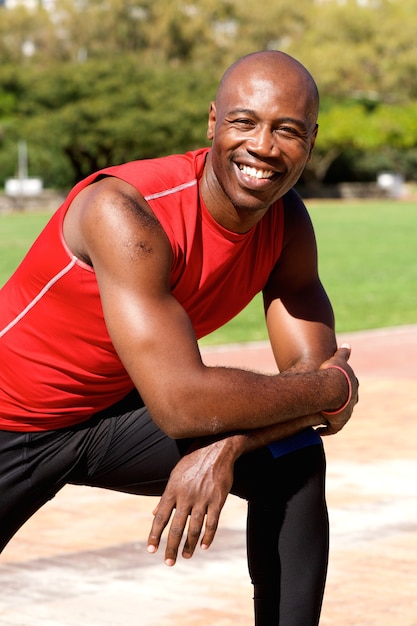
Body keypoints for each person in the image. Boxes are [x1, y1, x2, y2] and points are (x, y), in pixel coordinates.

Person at [0, 50, 358, 625]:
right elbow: (188, 404)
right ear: (212, 123)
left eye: (287, 131)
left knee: (293, 459)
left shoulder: (286, 225)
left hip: (109, 416)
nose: (263, 147)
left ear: (310, 143)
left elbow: (315, 381)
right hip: (11, 413)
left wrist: (230, 444)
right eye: (244, 122)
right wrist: (333, 386)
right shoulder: (125, 210)